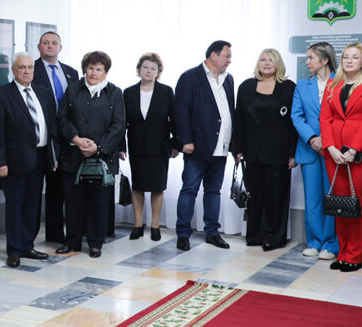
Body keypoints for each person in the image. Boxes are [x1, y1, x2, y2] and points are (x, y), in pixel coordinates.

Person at [0, 53, 58, 268]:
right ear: (13, 70)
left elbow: (52, 127)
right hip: (14, 161)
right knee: (15, 206)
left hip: (40, 158)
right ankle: (14, 250)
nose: (27, 71)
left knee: (33, 206)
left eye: (30, 67)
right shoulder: (1, 95)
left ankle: (27, 245)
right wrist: (0, 162)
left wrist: (53, 156)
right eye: (22, 67)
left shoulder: (44, 93)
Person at [321, 43, 362, 272]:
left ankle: (354, 256)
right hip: (334, 154)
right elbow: (325, 119)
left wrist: (353, 149)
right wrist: (330, 147)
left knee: (357, 204)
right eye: (346, 57)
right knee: (339, 205)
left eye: (355, 57)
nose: (349, 61)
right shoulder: (332, 85)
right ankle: (342, 253)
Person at [56, 51, 125, 258]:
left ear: (106, 72)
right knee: (73, 202)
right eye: (90, 68)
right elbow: (62, 118)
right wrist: (76, 139)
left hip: (102, 158)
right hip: (74, 155)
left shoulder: (115, 93)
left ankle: (95, 243)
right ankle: (72, 241)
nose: (93, 73)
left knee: (99, 203)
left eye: (98, 69)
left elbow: (119, 125)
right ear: (85, 69)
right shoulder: (73, 89)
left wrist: (99, 147)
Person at [174, 40, 235, 251]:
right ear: (213, 56)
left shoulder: (229, 79)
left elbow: (230, 112)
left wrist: (233, 144)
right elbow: (180, 111)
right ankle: (183, 234)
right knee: (189, 190)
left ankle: (212, 232)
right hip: (197, 146)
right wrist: (185, 140)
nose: (229, 60)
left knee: (214, 191)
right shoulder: (190, 77)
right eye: (227, 56)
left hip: (221, 146)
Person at [234, 49, 297, 250]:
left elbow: (293, 123)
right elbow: (239, 119)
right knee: (255, 195)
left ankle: (273, 237)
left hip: (278, 152)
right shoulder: (245, 87)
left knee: (276, 196)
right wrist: (237, 148)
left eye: (271, 60)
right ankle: (254, 235)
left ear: (278, 64)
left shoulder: (289, 88)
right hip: (252, 152)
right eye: (263, 59)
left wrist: (293, 153)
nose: (267, 63)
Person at [121, 53, 178, 241]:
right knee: (137, 186)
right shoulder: (128, 93)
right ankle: (137, 225)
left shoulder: (166, 91)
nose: (148, 71)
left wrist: (176, 144)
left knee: (157, 186)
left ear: (158, 72)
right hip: (136, 145)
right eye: (145, 67)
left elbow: (175, 120)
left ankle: (155, 225)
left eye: (153, 68)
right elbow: (121, 122)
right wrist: (121, 146)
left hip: (159, 147)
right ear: (139, 69)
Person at [291, 42, 338, 260]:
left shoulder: (340, 83)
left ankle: (330, 244)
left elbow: (342, 117)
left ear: (325, 60)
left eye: (311, 57)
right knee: (312, 199)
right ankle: (314, 242)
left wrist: (325, 140)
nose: (307, 61)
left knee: (331, 197)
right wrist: (312, 138)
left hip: (333, 150)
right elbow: (296, 116)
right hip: (309, 149)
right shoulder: (302, 86)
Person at [32, 31, 79, 244]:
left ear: (60, 48)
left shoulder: (71, 72)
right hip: (43, 135)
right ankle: (52, 233)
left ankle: (64, 232)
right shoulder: (31, 69)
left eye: (54, 43)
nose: (50, 46)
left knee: (63, 186)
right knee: (48, 188)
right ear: (39, 47)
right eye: (45, 43)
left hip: (67, 137)